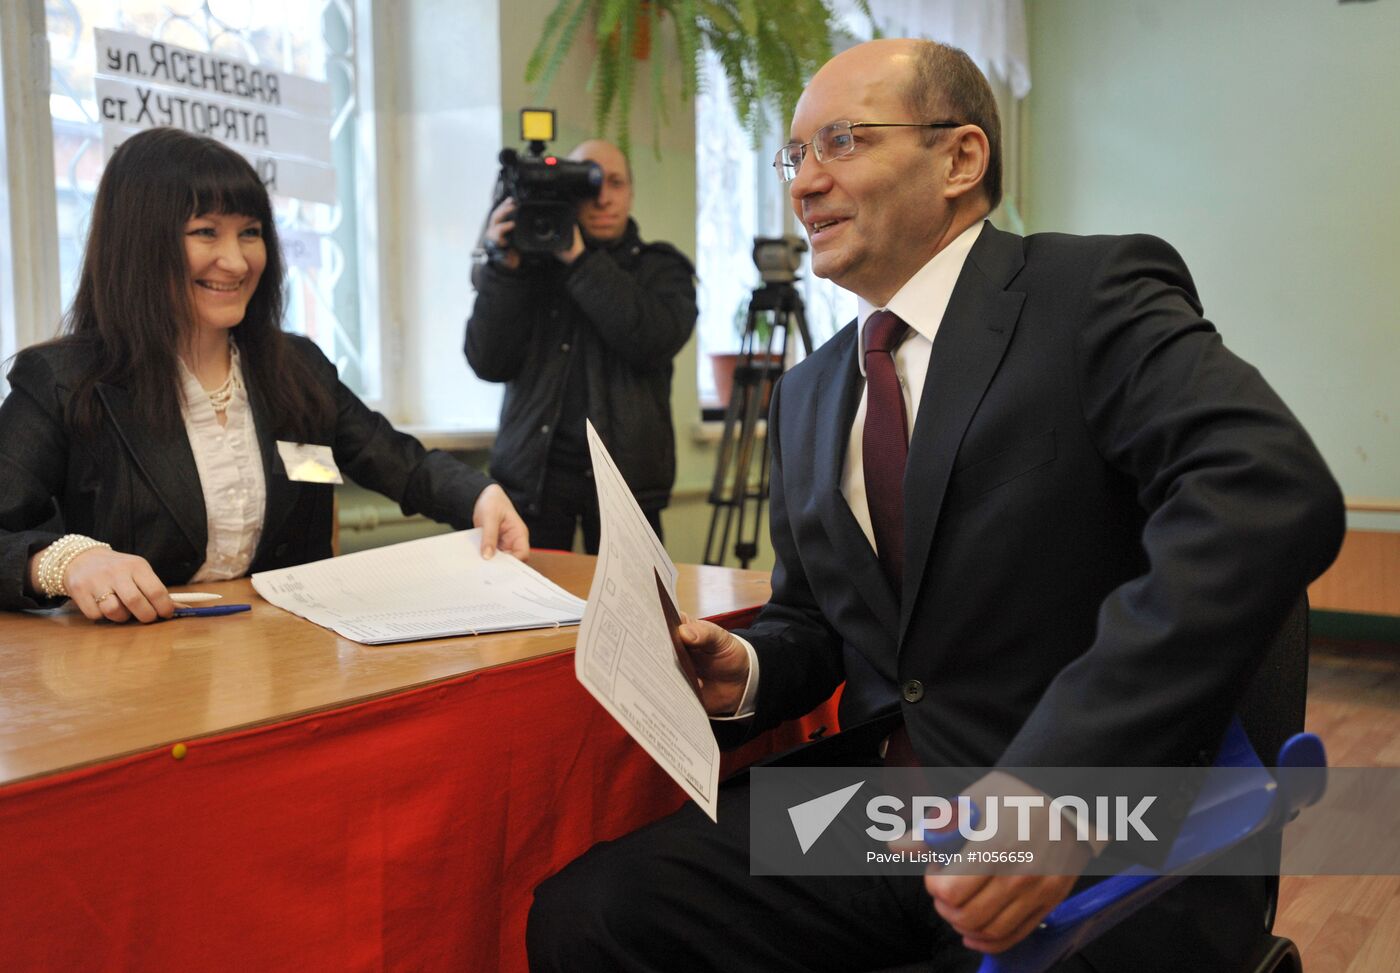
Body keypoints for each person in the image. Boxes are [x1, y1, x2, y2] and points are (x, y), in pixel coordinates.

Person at [526, 38, 1345, 972]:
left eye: (841, 141)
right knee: (591, 915)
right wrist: (749, 668)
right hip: (884, 820)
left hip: (1095, 825)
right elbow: (819, 618)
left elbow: (1267, 486)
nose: (803, 185)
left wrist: (1055, 787)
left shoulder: (1088, 295)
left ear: (960, 158)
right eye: (795, 156)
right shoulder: (810, 393)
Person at [0, 127, 528, 623]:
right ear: (140, 245)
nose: (235, 261)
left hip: (285, 660)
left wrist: (479, 496)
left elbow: (400, 463)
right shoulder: (61, 380)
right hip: (128, 677)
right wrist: (65, 561)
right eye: (206, 232)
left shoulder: (296, 367)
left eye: (249, 233)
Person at [464, 138, 696, 553]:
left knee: (636, 613)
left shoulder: (662, 268)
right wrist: (504, 271)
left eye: (615, 182)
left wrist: (578, 258)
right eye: (588, 184)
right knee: (525, 611)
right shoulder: (526, 270)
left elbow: (652, 339)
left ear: (631, 191)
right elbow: (488, 362)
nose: (603, 197)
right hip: (532, 481)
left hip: (628, 486)